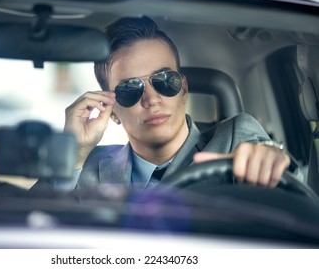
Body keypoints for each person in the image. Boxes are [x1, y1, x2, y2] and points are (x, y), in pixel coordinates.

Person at [31, 16, 295, 196]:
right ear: (112, 111)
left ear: (183, 89)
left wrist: (270, 160)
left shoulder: (234, 139)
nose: (152, 99)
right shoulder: (85, 167)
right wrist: (72, 156)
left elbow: (290, 197)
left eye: (165, 80)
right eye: (130, 89)